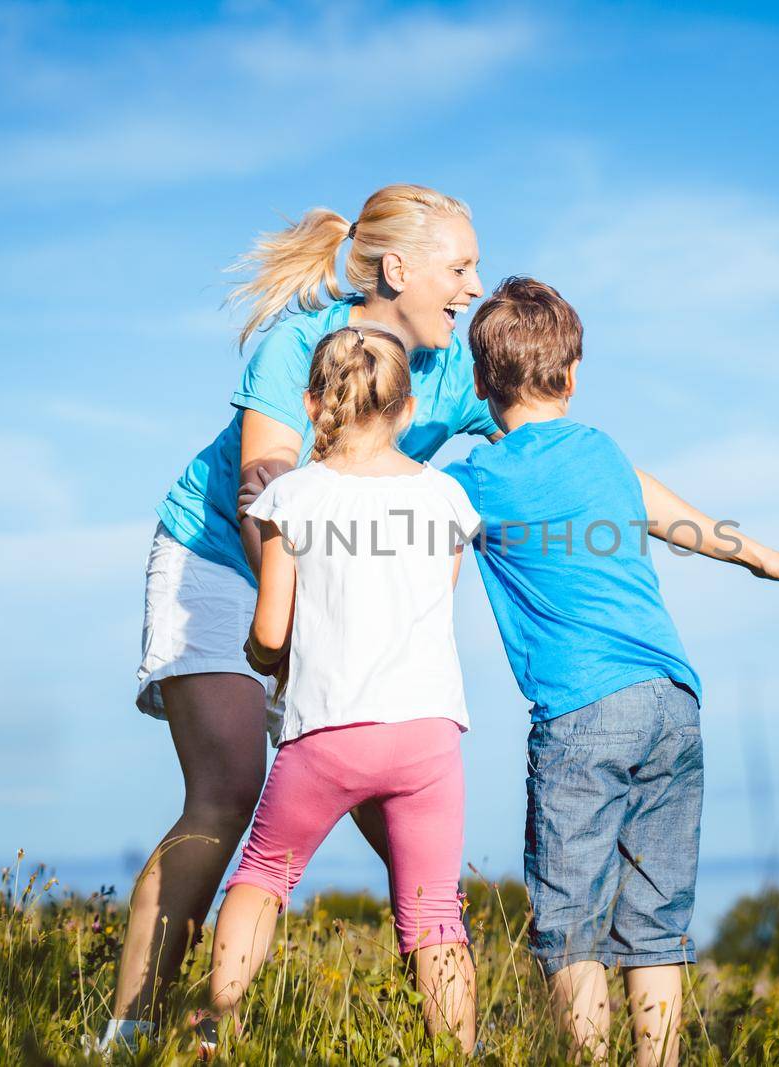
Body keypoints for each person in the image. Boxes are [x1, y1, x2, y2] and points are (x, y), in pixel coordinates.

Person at [106, 183, 494, 1043]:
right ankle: (131, 1032)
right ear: (398, 268)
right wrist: (302, 639)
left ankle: (448, 1028)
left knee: (404, 826)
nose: (473, 287)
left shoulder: (450, 368)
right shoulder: (296, 344)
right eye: (459, 267)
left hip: (321, 586)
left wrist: (746, 546)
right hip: (222, 561)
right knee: (230, 787)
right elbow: (264, 496)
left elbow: (547, 436)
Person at [444, 277, 779, 1067]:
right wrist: (772, 560)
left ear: (481, 384)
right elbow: (682, 520)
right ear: (571, 376)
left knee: (570, 923)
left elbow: (415, 536)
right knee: (655, 922)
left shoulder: (477, 481)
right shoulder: (602, 449)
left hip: (583, 712)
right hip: (674, 700)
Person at [208, 324, 479, 1052]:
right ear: (409, 407)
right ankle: (457, 1053)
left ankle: (213, 1035)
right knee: (434, 915)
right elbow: (436, 602)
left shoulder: (292, 497)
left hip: (328, 727)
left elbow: (271, 632)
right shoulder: (446, 497)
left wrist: (266, 659)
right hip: (427, 731)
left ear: (311, 402)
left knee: (263, 875)